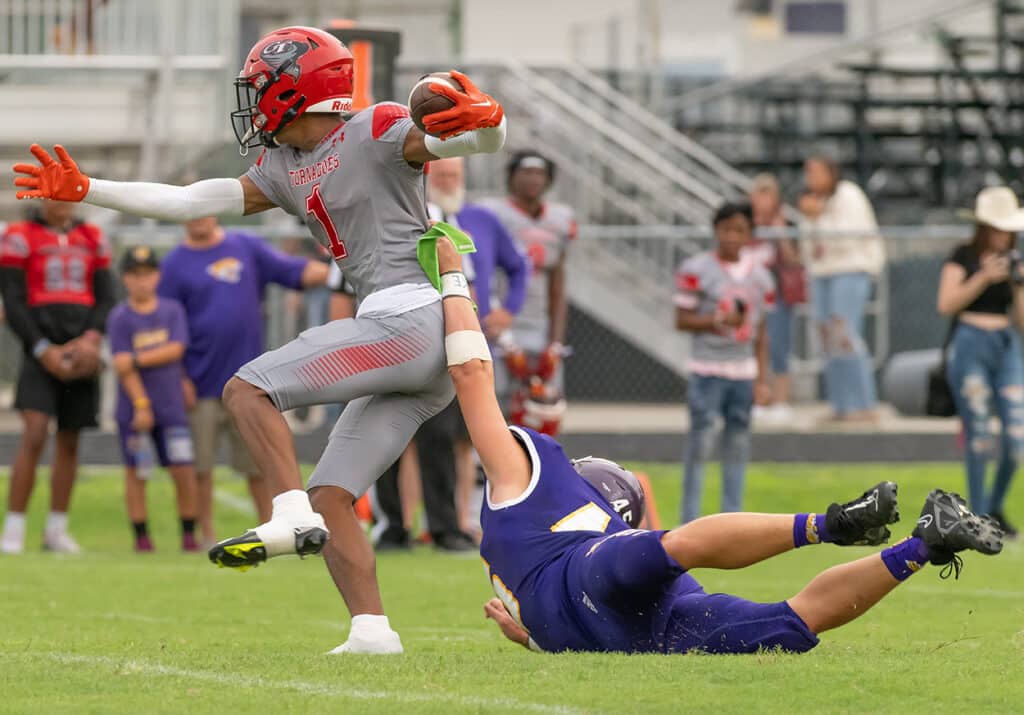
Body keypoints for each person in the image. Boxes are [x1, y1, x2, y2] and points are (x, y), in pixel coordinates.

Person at [12, 26, 506, 653]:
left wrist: (493, 124)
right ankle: (371, 631)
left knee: (248, 389)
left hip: (410, 317)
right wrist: (91, 191)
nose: (253, 100)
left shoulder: (374, 126)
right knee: (333, 494)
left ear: (295, 89)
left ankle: (287, 511)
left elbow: (465, 138)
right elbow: (190, 199)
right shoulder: (283, 166)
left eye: (262, 87)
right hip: (415, 342)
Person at [431, 233, 1004, 656]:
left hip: (595, 597)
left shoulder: (527, 492)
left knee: (679, 553)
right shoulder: (552, 516)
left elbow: (473, 377)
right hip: (635, 617)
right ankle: (922, 545)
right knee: (788, 623)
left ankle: (836, 527)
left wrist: (453, 275)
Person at [158, 216, 328, 546]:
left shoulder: (244, 247)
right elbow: (167, 324)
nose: (199, 217)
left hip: (247, 384)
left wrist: (344, 275)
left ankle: (270, 530)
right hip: (199, 381)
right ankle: (204, 535)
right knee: (201, 467)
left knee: (257, 464)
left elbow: (294, 271)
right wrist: (179, 378)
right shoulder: (174, 264)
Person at [0, 201, 113, 554]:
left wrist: (91, 340)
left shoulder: (92, 236)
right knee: (33, 433)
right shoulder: (20, 236)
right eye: (54, 195)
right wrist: (41, 349)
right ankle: (14, 530)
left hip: (81, 348)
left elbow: (107, 297)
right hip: (41, 347)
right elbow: (13, 301)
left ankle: (55, 529)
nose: (61, 203)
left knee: (70, 438)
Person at [674, 203, 774, 524]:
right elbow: (682, 319)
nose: (732, 236)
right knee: (700, 446)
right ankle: (689, 519)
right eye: (726, 229)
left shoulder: (760, 277)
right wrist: (718, 320)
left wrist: (762, 378)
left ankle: (732, 520)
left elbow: (761, 331)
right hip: (707, 368)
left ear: (750, 235)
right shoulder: (696, 269)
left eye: (739, 230)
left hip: (743, 371)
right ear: (716, 230)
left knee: (738, 445)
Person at [937, 186, 1024, 538]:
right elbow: (946, 303)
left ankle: (993, 507)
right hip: (970, 342)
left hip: (1006, 345)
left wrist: (1017, 285)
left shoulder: (1016, 262)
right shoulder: (963, 256)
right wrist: (983, 278)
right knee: (979, 436)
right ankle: (975, 516)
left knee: (1016, 438)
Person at [106, 246, 199, 552]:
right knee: (138, 471)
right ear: (124, 279)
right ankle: (142, 537)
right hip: (136, 412)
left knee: (183, 469)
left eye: (147, 275)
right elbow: (122, 368)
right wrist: (141, 405)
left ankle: (188, 534)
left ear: (157, 276)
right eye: (134, 275)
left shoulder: (171, 310)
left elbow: (176, 349)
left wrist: (136, 359)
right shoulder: (120, 317)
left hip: (171, 407)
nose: (141, 281)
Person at [480, 152, 574, 412]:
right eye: (527, 172)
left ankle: (535, 454)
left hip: (539, 325)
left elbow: (557, 282)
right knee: (493, 401)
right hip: (498, 323)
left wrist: (556, 340)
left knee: (545, 405)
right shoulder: (492, 214)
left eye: (540, 173)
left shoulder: (559, 220)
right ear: (511, 177)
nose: (534, 179)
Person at [799, 156, 885, 421]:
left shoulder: (849, 195)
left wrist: (819, 217)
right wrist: (812, 218)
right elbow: (808, 245)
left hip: (850, 269)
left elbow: (849, 236)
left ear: (831, 173)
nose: (811, 178)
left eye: (816, 172)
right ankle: (840, 405)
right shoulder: (811, 202)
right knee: (826, 337)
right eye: (808, 172)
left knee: (845, 334)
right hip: (821, 272)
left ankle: (864, 403)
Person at [748, 173, 802, 421]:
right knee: (753, 350)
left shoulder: (785, 223)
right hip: (750, 297)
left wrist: (780, 233)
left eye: (767, 196)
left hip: (777, 296)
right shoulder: (745, 225)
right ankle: (759, 398)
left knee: (779, 346)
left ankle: (781, 400)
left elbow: (793, 259)